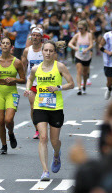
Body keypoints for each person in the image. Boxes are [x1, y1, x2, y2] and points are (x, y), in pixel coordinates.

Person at [24, 41, 74, 181]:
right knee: (43, 137)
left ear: (54, 53)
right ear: (42, 52)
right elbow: (30, 79)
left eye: (50, 51)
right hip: (40, 106)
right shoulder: (36, 68)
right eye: (45, 50)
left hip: (55, 107)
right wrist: (28, 89)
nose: (47, 53)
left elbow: (71, 84)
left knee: (54, 141)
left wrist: (58, 87)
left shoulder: (60, 67)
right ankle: (45, 171)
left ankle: (56, 154)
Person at [0, 37, 26, 154]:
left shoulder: (17, 62)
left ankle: (10, 133)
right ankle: (4, 145)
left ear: (11, 47)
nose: (5, 45)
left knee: (8, 119)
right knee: (0, 121)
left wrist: (14, 79)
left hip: (12, 92)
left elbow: (23, 80)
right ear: (0, 46)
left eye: (8, 43)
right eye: (3, 43)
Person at [22, 27, 44, 139]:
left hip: (44, 83)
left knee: (43, 108)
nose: (35, 37)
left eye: (37, 35)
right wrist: (22, 78)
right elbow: (23, 66)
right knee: (33, 107)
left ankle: (43, 126)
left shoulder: (45, 49)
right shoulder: (27, 50)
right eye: (33, 35)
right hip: (32, 83)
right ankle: (37, 129)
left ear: (41, 37)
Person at [68, 20, 93, 95]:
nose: (80, 30)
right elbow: (70, 43)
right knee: (79, 71)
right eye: (79, 28)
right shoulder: (77, 35)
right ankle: (79, 88)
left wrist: (87, 49)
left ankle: (84, 86)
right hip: (78, 56)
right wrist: (74, 48)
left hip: (87, 56)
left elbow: (91, 45)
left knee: (85, 73)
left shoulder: (89, 35)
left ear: (85, 28)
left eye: (81, 28)